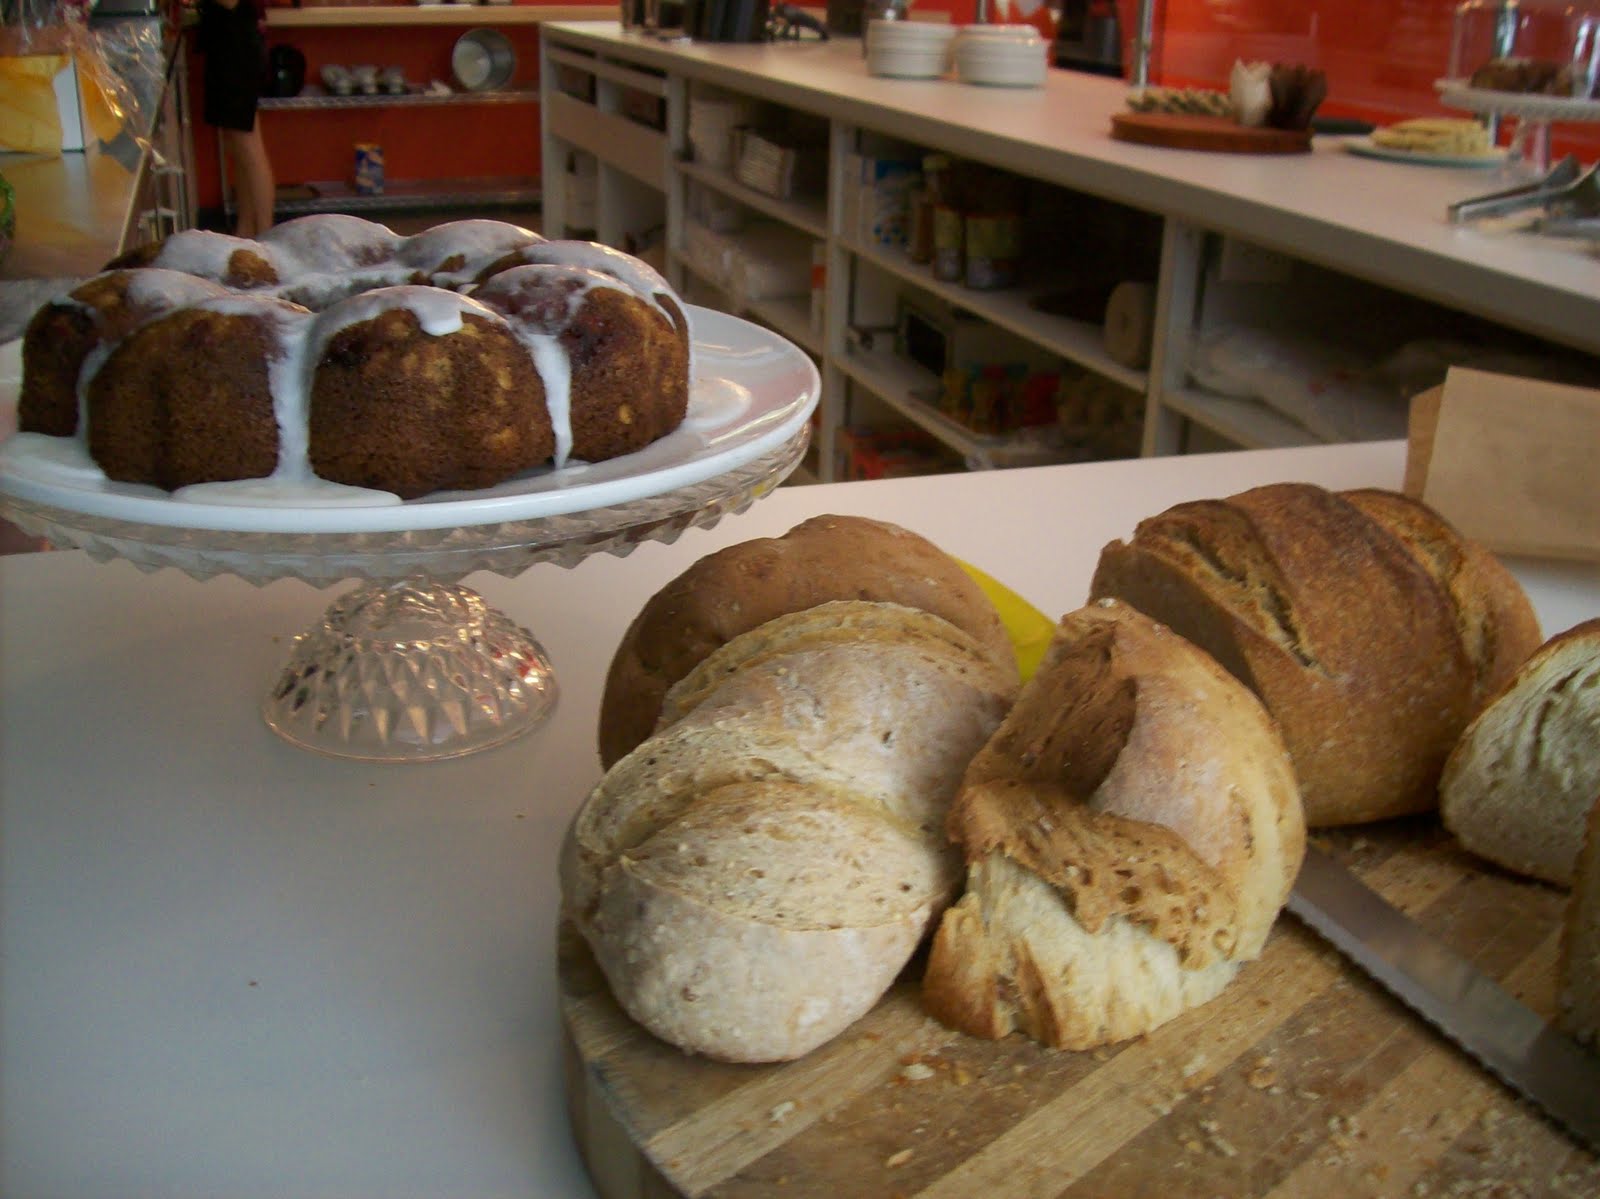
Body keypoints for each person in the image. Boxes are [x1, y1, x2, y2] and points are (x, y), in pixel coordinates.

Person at [198, 0, 275, 237]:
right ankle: (247, 230)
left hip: (236, 51)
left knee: (249, 148)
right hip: (230, 47)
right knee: (238, 147)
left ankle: (265, 236)